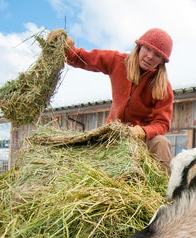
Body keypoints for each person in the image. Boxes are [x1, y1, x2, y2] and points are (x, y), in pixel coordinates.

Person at [49, 28, 174, 173]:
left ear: (162, 61)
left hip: (141, 140)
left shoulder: (162, 86)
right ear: (139, 47)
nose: (150, 56)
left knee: (161, 142)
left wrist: (140, 131)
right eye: (147, 49)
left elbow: (162, 124)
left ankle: (163, 191)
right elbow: (82, 58)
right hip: (113, 135)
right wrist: (65, 49)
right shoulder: (117, 61)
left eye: (157, 55)